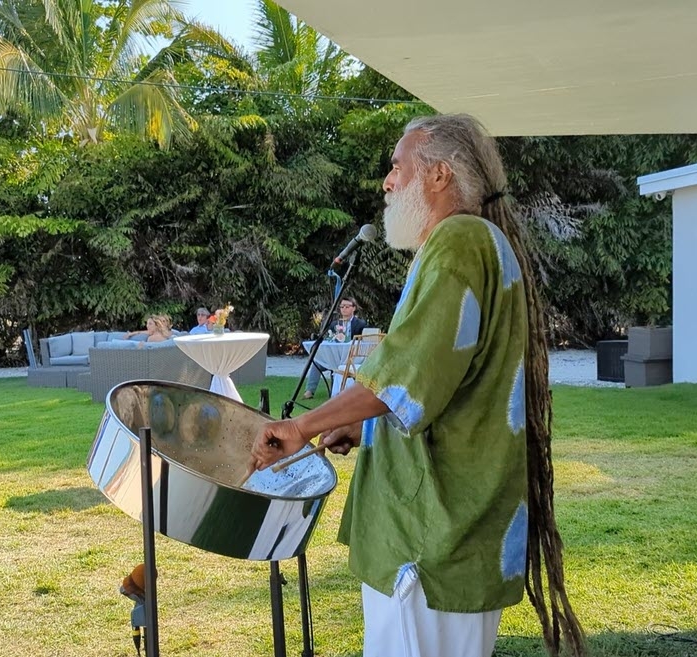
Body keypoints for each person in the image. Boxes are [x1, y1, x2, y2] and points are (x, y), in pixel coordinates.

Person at [250, 115, 585, 657]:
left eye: (397, 166)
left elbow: (405, 377)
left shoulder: (460, 241)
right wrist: (362, 432)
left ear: (438, 176)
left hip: (431, 539)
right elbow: (442, 386)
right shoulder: (472, 244)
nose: (386, 181)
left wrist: (302, 425)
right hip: (439, 530)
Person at [304, 297, 368, 399]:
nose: (344, 309)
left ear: (354, 308)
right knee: (316, 362)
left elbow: (364, 341)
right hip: (335, 356)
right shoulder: (335, 324)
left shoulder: (360, 324)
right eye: (342, 307)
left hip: (351, 358)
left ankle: (338, 391)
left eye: (347, 306)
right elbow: (330, 339)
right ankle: (309, 390)